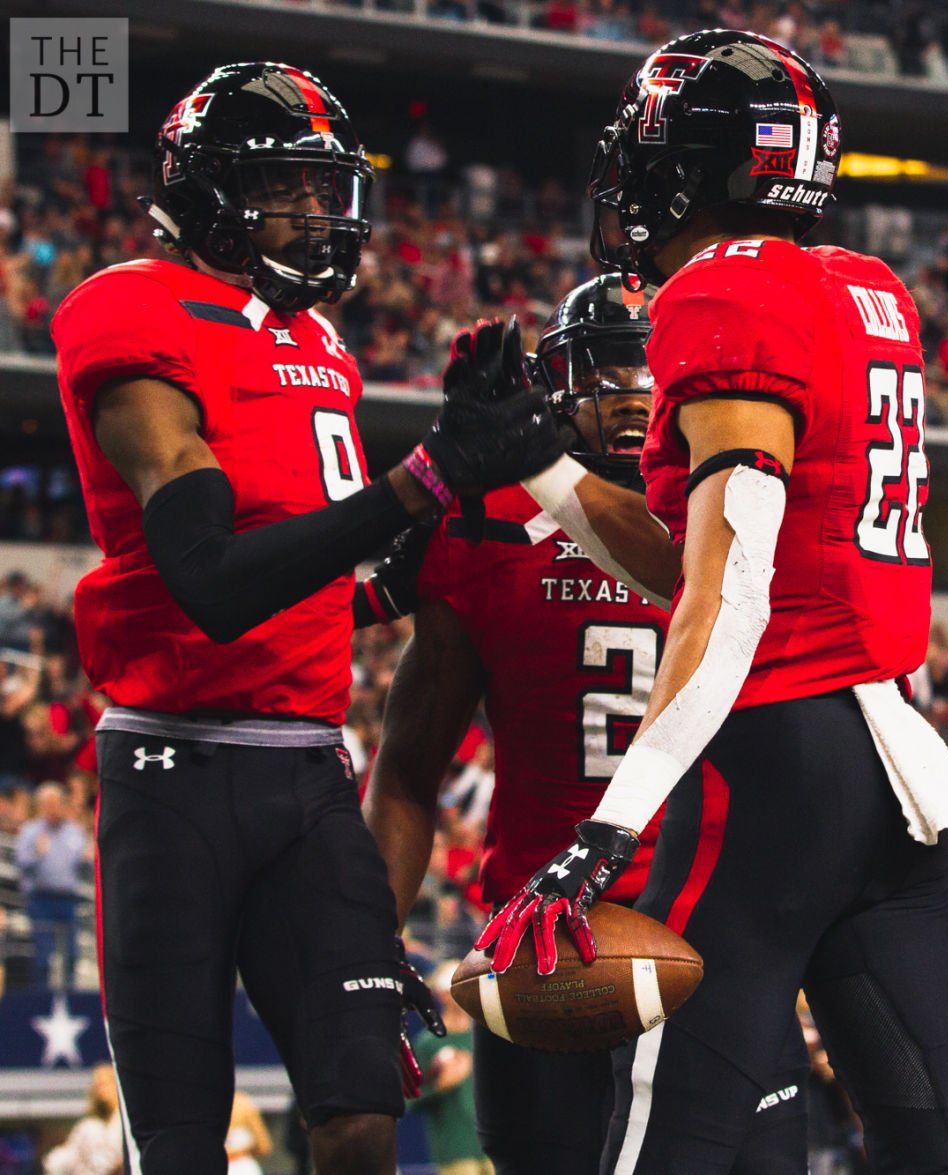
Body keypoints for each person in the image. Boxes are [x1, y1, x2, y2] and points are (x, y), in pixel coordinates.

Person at [472, 29, 948, 1174]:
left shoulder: (722, 289)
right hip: (886, 760)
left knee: (673, 1128)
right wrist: (548, 472)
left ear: (696, 164)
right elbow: (714, 555)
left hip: (773, 762)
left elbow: (733, 585)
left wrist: (610, 826)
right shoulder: (869, 289)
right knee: (935, 1136)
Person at [50, 61, 565, 1174]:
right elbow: (215, 580)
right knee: (181, 1139)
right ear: (212, 190)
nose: (319, 215)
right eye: (291, 186)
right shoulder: (128, 305)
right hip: (174, 773)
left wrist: (445, 506)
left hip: (308, 773)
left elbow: (321, 581)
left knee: (360, 1105)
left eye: (325, 190)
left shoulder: (319, 338)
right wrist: (424, 478)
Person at [364, 276, 801, 1171]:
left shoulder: (744, 517)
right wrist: (367, 946)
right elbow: (408, 767)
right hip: (544, 944)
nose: (636, 392)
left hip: (712, 934)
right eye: (606, 369)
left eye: (654, 368)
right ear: (554, 383)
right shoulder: (485, 526)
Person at [406, 962, 492, 1175]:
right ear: (442, 995)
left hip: (493, 1147)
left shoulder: (487, 1036)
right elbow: (411, 1099)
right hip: (455, 1151)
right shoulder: (429, 1043)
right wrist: (441, 1086)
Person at [17, 781, 90, 989]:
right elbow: (21, 863)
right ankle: (41, 998)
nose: (52, 809)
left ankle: (70, 997)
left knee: (72, 953)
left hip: (68, 899)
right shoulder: (31, 831)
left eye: (56, 803)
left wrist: (88, 858)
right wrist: (37, 854)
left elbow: (83, 865)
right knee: (43, 954)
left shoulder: (74, 832)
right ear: (40, 806)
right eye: (47, 804)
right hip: (41, 899)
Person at [44, 1062, 123, 1175]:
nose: (101, 1090)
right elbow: (59, 1162)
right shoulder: (88, 1127)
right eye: (97, 1085)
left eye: (105, 1083)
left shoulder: (124, 1124)